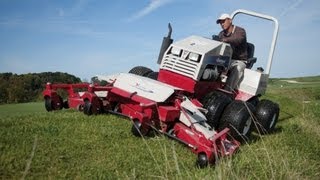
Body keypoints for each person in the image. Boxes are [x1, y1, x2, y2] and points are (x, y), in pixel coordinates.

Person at [216, 13, 248, 92]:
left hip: (239, 60)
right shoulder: (221, 34)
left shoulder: (240, 31)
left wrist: (224, 40)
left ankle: (227, 92)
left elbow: (237, 40)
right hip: (226, 59)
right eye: (220, 22)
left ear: (230, 20)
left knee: (237, 68)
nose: (222, 24)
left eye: (223, 21)